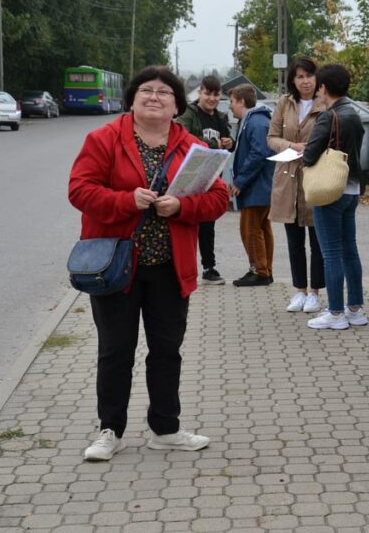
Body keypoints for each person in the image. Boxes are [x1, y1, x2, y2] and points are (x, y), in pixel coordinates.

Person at [68, 66, 229, 461]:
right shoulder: (104, 139)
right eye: (146, 91)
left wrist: (181, 206)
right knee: (115, 350)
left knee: (166, 350)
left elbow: (219, 199)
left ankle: (166, 428)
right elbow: (79, 189)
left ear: (177, 106)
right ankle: (110, 430)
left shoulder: (194, 149)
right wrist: (126, 200)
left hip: (169, 268)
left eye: (164, 93)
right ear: (132, 99)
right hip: (116, 268)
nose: (154, 97)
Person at [301, 64, 368, 330]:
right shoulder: (353, 114)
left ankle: (336, 312)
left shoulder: (329, 117)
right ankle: (355, 308)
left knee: (330, 253)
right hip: (351, 188)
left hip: (329, 190)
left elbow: (309, 155)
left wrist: (305, 153)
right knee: (350, 250)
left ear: (324, 88)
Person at [268, 57, 326, 313]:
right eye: (300, 76)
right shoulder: (284, 103)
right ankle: (300, 290)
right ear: (293, 79)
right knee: (294, 240)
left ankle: (315, 292)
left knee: (317, 238)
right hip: (288, 175)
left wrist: (310, 148)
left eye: (309, 76)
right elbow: (271, 138)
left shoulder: (325, 103)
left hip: (315, 176)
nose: (305, 81)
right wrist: (291, 146)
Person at [175, 75, 233, 285]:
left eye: (216, 94)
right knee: (187, 223)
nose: (212, 98)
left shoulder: (220, 117)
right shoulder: (189, 114)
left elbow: (227, 142)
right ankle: (182, 268)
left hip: (212, 178)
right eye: (208, 93)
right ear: (200, 92)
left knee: (208, 225)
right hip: (189, 176)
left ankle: (209, 268)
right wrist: (214, 142)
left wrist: (229, 141)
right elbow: (183, 138)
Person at [228, 84, 275, 287]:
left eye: (231, 102)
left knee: (250, 229)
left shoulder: (255, 122)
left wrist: (240, 181)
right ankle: (264, 269)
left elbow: (258, 154)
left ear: (241, 101)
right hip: (262, 186)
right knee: (262, 227)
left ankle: (260, 271)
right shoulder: (255, 121)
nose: (230, 107)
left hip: (257, 187)